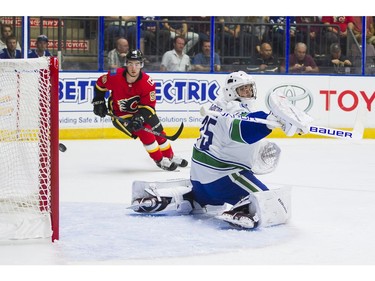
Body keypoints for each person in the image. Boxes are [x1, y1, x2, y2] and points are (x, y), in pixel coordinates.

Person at [128, 71, 311, 229]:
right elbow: (242, 130)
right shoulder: (232, 108)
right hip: (223, 179)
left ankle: (176, 198)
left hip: (199, 181)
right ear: (231, 92)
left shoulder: (218, 106)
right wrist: (270, 121)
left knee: (204, 198)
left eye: (249, 88)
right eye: (242, 89)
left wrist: (272, 121)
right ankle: (243, 211)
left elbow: (244, 123)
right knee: (277, 207)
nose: (247, 92)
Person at [92, 49, 188, 171]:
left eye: (137, 64)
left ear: (142, 65)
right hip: (121, 115)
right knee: (145, 133)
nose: (133, 68)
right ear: (126, 63)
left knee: (158, 131)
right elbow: (100, 84)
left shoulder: (147, 83)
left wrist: (140, 117)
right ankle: (159, 160)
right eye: (131, 63)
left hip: (142, 112)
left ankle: (170, 156)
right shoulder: (114, 75)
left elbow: (149, 106)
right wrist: (98, 101)